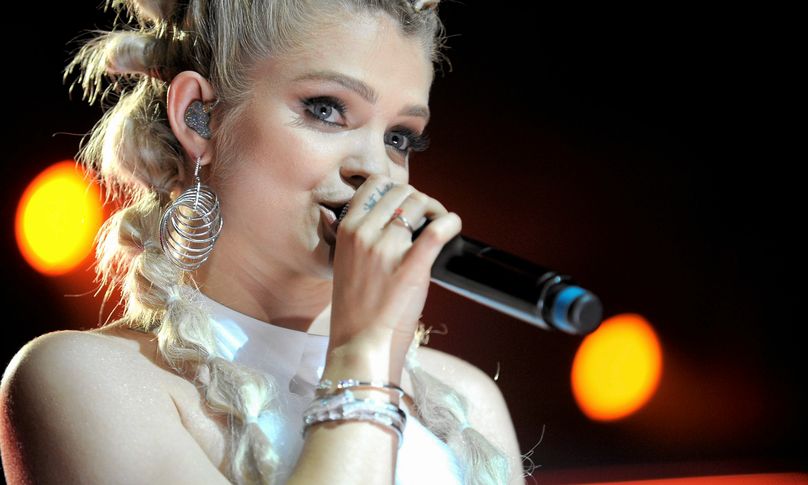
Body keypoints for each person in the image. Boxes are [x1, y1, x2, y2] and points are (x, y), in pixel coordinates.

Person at [0, 1, 523, 483]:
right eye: (326, 109)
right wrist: (362, 360)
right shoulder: (91, 380)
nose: (375, 170)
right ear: (199, 117)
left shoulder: (466, 405)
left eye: (398, 137)